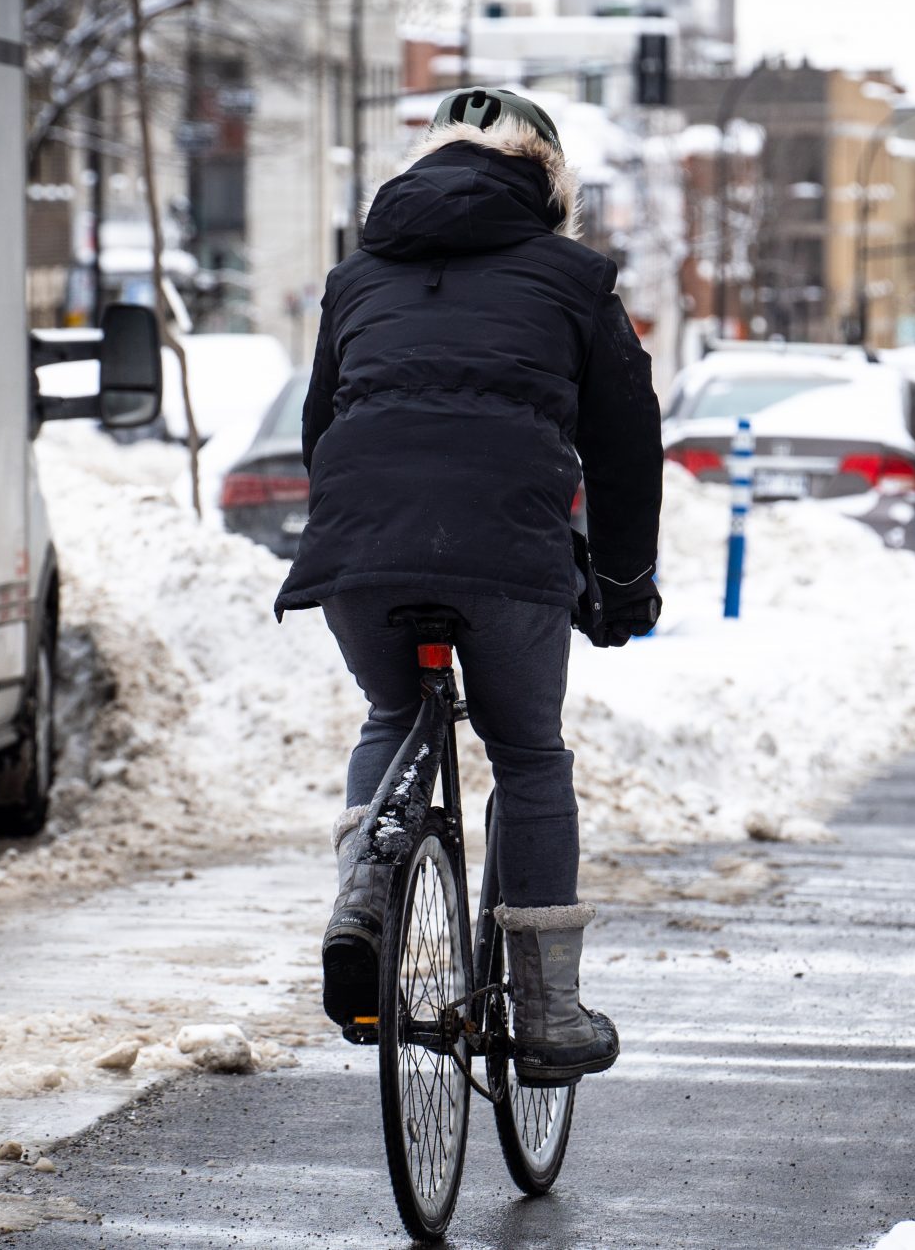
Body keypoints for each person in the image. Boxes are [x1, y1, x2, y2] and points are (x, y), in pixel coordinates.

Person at [274, 88, 662, 1084]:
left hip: (360, 550)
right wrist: (622, 583)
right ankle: (542, 1012)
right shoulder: (574, 281)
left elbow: (321, 434)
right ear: (546, 184)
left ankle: (364, 899)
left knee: (389, 712)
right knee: (528, 756)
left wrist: (366, 533)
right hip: (506, 556)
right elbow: (626, 447)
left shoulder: (354, 279)